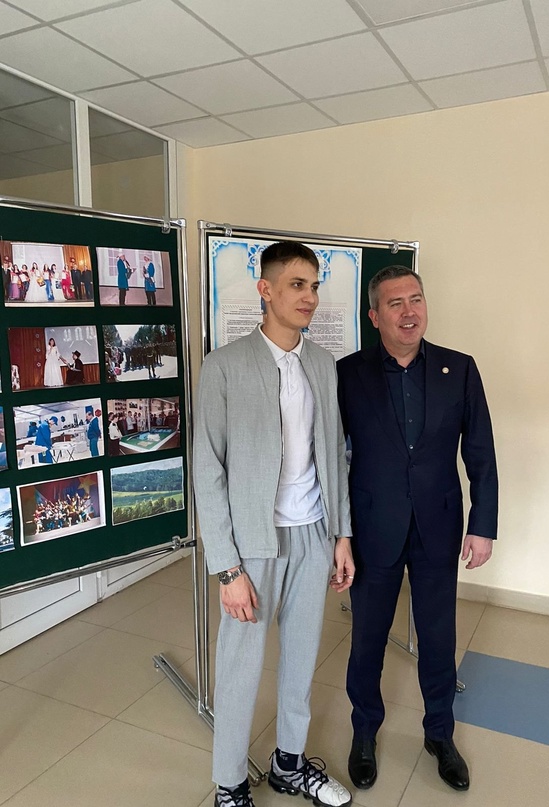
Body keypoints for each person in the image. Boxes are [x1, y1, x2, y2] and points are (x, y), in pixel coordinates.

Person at [193, 241, 354, 807]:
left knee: (303, 656)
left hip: (313, 531)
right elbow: (207, 470)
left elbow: (334, 455)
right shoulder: (224, 366)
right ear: (266, 290)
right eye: (296, 285)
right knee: (240, 665)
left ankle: (289, 763)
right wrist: (227, 568)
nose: (309, 297)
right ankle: (230, 783)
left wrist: (341, 535)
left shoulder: (323, 364)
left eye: (314, 286)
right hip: (251, 542)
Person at [337, 266, 498, 793]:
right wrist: (338, 533)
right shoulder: (348, 374)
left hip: (438, 526)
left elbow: (480, 452)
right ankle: (365, 731)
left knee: (437, 636)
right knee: (367, 638)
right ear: (374, 316)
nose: (410, 312)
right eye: (396, 303)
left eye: (416, 299)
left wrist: (483, 525)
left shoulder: (459, 368)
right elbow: (331, 458)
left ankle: (439, 734)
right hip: (372, 527)